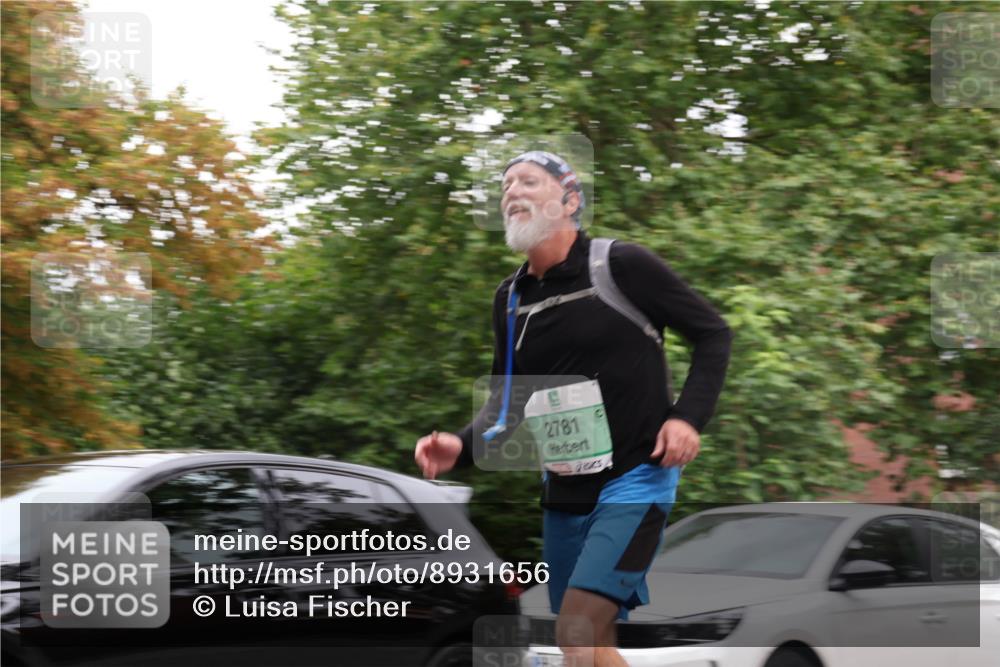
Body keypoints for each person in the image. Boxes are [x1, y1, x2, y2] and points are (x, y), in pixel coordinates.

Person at [415, 151, 732, 667]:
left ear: (570, 200)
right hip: (564, 490)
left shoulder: (621, 266)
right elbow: (506, 401)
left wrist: (687, 417)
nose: (511, 191)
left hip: (635, 479)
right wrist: (460, 445)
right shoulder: (510, 298)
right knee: (585, 645)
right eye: (506, 185)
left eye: (529, 182)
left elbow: (714, 334)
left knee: (577, 631)